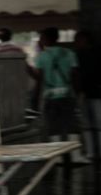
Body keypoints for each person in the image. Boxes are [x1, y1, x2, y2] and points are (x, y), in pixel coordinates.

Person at [33, 27, 90, 163]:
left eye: (42, 37)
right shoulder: (69, 53)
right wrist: (78, 93)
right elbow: (75, 75)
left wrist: (35, 99)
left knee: (54, 127)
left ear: (45, 39)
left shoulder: (41, 56)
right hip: (68, 95)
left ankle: (57, 157)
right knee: (72, 125)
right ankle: (75, 156)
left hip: (50, 96)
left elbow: (39, 79)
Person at [74, 30, 101, 161]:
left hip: (89, 92)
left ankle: (91, 152)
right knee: (98, 122)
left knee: (89, 123)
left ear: (85, 40)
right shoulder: (100, 53)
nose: (76, 43)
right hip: (96, 92)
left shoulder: (79, 55)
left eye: (78, 40)